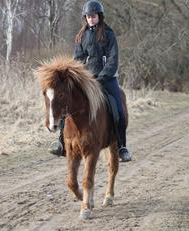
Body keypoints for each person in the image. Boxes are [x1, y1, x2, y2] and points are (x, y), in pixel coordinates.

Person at [48, 0, 131, 162]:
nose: (91, 19)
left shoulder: (109, 34)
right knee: (67, 104)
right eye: (88, 16)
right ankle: (61, 143)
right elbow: (78, 59)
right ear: (85, 18)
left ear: (99, 16)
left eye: (93, 16)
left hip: (107, 79)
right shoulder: (81, 36)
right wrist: (75, 76)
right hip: (87, 79)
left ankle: (122, 146)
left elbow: (113, 59)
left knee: (118, 110)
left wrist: (103, 76)